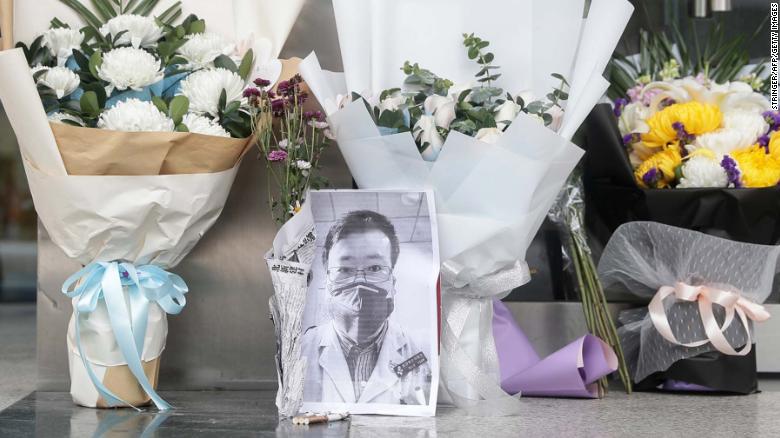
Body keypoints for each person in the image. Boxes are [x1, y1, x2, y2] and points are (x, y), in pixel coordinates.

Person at [301, 210, 431, 405]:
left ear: (392, 283)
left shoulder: (422, 350)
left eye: (374, 268)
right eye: (344, 269)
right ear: (327, 282)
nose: (360, 283)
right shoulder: (302, 349)